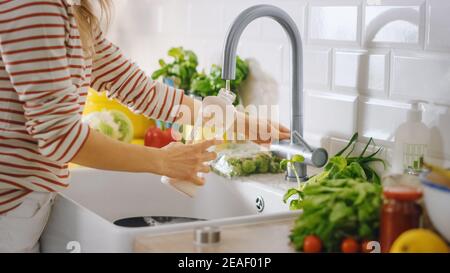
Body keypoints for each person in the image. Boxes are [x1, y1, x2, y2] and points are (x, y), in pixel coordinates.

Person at [0, 0, 289, 252]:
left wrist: (237, 121)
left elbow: (139, 90)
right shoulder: (35, 6)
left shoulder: (73, 10)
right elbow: (62, 137)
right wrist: (162, 161)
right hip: (8, 208)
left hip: (21, 205)